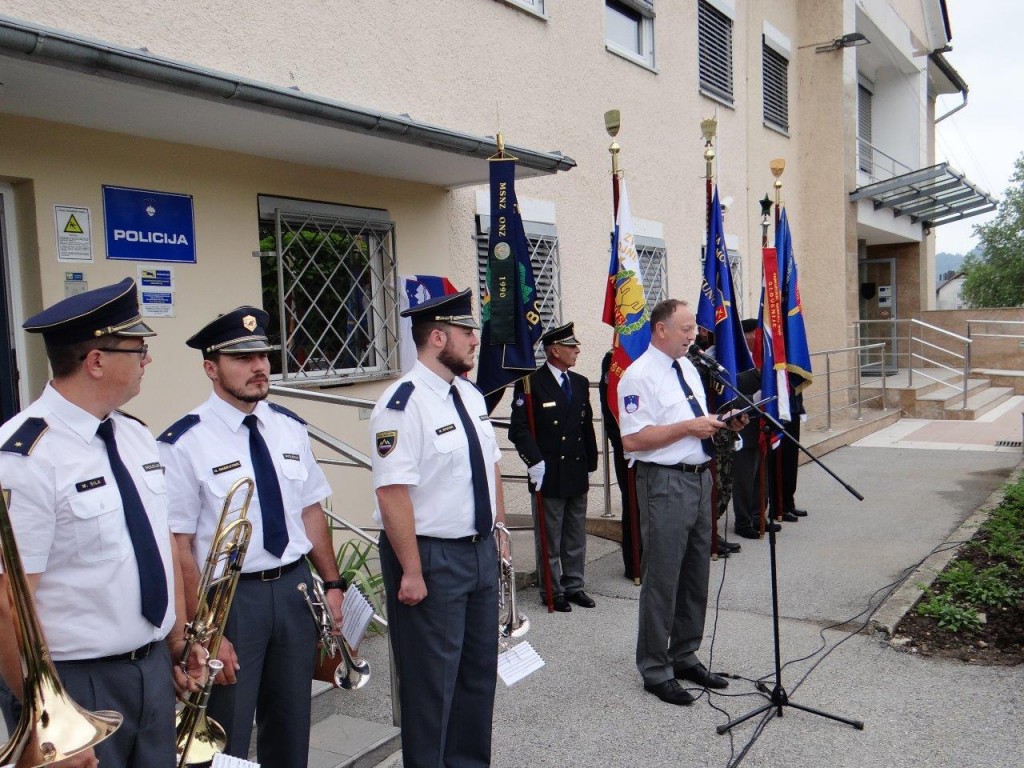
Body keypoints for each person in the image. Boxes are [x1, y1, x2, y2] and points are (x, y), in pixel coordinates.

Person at [0, 278, 205, 768]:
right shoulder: (25, 457)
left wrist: (177, 642)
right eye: (138, 349)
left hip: (150, 669)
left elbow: (159, 544)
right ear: (95, 361)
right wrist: (49, 719)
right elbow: (8, 604)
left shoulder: (134, 436)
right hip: (73, 681)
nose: (147, 360)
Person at [159, 306, 342, 768]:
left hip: (295, 589)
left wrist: (333, 583)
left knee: (291, 725)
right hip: (230, 603)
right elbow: (179, 546)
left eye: (262, 355)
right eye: (242, 359)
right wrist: (203, 629)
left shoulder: (288, 426)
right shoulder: (183, 443)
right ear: (211, 368)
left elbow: (310, 510)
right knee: (227, 731)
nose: (259, 366)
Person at [371, 289, 504, 768]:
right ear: (437, 337)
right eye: (467, 331)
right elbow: (392, 493)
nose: (475, 339)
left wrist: (499, 533)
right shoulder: (401, 405)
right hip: (431, 557)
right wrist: (411, 570)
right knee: (431, 685)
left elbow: (490, 464)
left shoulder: (469, 394)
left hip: (479, 551)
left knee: (477, 676)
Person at [618, 299, 746, 706]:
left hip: (698, 478)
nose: (694, 335)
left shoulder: (689, 367)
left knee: (695, 573)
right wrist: (689, 427)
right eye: (686, 328)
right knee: (663, 578)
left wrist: (723, 421)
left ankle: (684, 654)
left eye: (693, 328)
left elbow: (696, 422)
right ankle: (655, 668)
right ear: (661, 329)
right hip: (664, 482)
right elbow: (633, 440)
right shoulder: (638, 376)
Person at [509, 322, 598, 611]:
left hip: (575, 468)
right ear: (554, 351)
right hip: (548, 471)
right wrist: (534, 462)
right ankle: (552, 589)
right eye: (571, 346)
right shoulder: (530, 383)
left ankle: (574, 585)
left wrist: (591, 460)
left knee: (575, 534)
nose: (577, 350)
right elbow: (519, 429)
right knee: (550, 536)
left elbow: (585, 426)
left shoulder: (580, 382)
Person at [732, 319, 781, 539]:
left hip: (762, 428)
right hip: (743, 427)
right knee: (744, 478)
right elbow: (730, 397)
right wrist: (754, 398)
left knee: (761, 476)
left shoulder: (767, 368)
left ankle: (758, 516)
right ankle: (743, 522)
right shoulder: (739, 362)